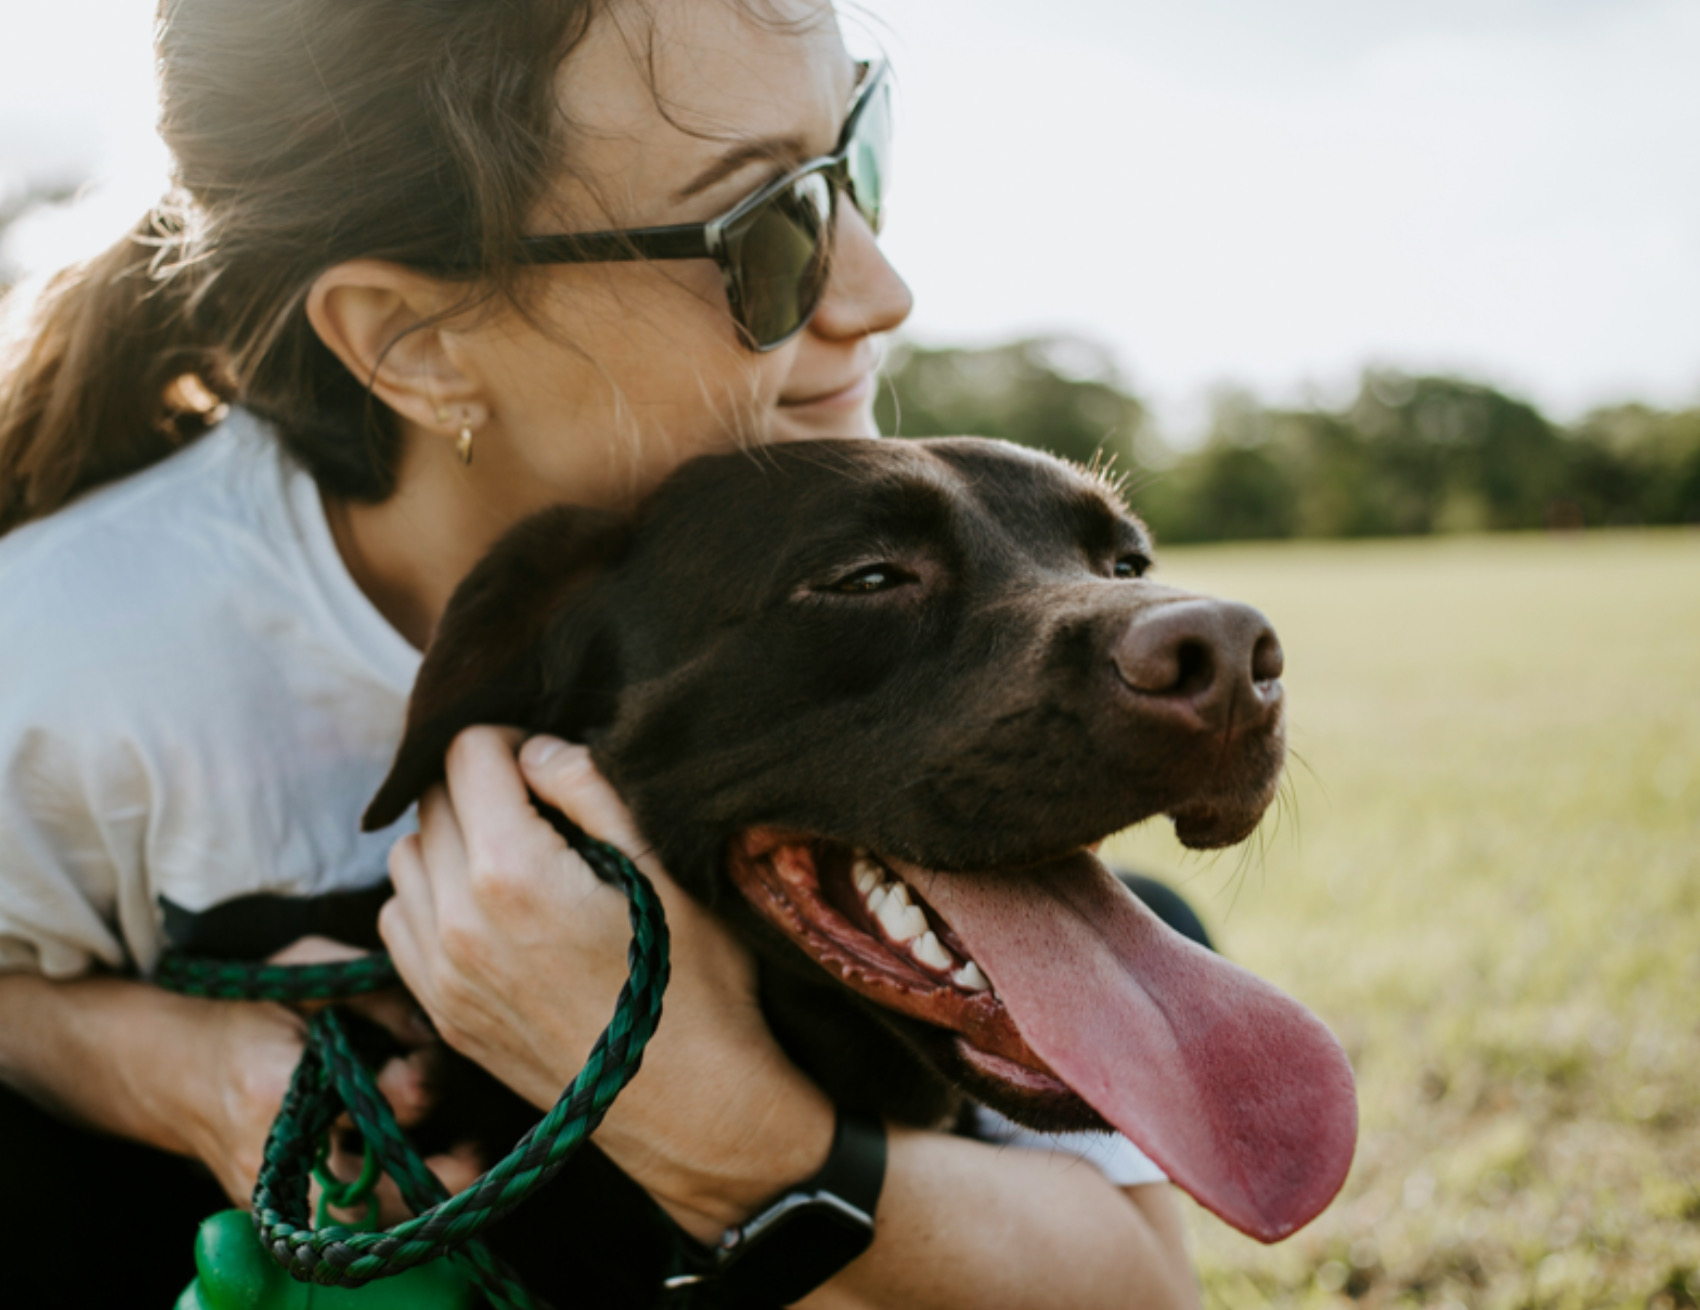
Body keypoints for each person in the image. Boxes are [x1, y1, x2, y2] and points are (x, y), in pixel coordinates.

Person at [0, 1, 1200, 1306]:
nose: (879, 289)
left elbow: (1140, 1290)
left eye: (859, 150)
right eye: (767, 229)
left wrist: (706, 1107)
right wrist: (189, 1069)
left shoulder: (846, 502)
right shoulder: (68, 656)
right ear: (416, 339)